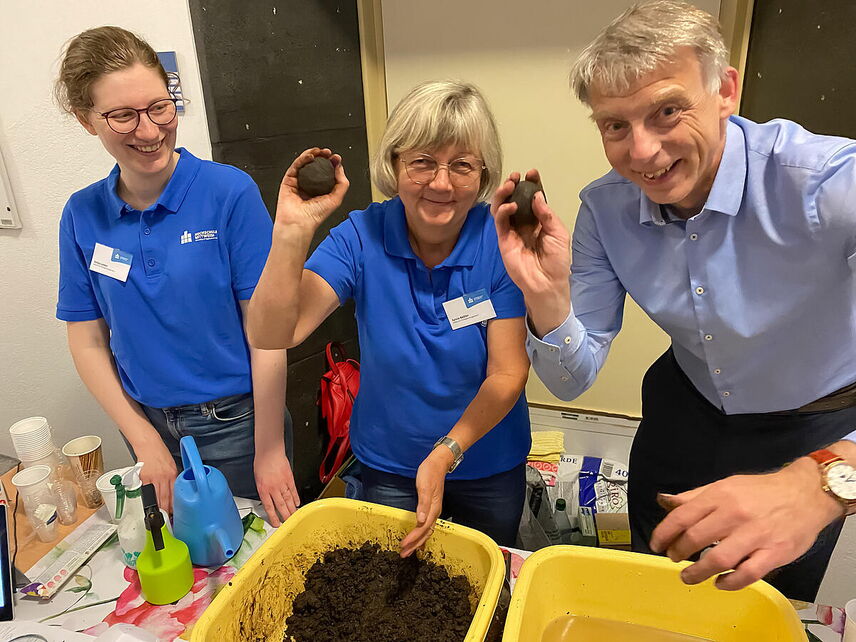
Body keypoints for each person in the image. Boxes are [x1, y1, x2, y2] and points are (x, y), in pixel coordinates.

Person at [492, 0, 856, 601]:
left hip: (814, 425)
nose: (641, 152)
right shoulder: (605, 210)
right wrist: (545, 294)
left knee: (764, 595)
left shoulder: (826, 185)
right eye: (614, 125)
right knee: (658, 578)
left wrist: (822, 482)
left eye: (667, 110)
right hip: (682, 414)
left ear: (726, 91)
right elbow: (572, 379)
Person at [248, 80, 531, 555]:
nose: (441, 183)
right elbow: (272, 331)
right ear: (395, 166)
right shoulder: (363, 236)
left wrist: (447, 453)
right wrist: (293, 232)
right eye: (422, 162)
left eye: (461, 165)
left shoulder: (499, 241)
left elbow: (508, 371)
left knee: (488, 592)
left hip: (487, 463)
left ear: (482, 175)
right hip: (389, 468)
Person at [55, 26, 297, 526]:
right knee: (186, 559)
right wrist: (142, 437)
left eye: (159, 107)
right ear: (86, 120)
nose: (149, 131)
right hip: (144, 423)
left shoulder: (229, 193)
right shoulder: (82, 214)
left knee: (254, 562)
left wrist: (270, 448)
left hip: (240, 424)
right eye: (122, 115)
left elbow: (267, 335)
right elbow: (88, 342)